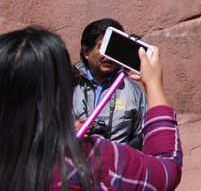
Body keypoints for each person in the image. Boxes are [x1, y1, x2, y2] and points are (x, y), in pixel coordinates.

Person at [0, 26, 182, 191]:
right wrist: (154, 86)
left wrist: (63, 133)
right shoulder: (95, 160)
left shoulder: (131, 91)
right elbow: (166, 170)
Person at [73, 18, 147, 149]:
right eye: (102, 47)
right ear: (86, 52)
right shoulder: (68, 84)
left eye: (114, 48)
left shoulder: (133, 91)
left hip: (118, 166)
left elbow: (142, 137)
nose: (108, 55)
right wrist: (68, 131)